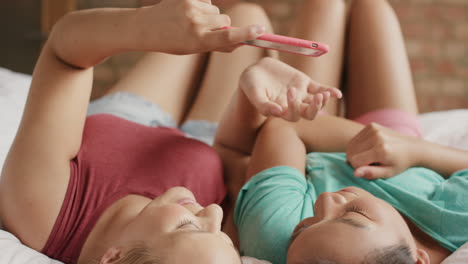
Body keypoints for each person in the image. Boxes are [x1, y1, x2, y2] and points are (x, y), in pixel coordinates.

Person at [0, 0, 340, 263]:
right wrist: (249, 92)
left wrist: (146, 26)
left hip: (128, 120)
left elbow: (65, 52)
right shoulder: (206, 247)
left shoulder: (41, 209)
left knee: (232, 20)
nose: (214, 213)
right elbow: (233, 154)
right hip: (202, 141)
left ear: (113, 257)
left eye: (189, 226)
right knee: (250, 15)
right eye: (222, 237)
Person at [226, 0, 468, 264]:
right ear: (418, 259)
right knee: (372, 8)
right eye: (353, 213)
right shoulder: (460, 218)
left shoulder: (276, 237)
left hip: (311, 134)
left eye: (305, 226)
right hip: (399, 146)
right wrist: (415, 149)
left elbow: (286, 126)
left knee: (324, 5)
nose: (324, 201)